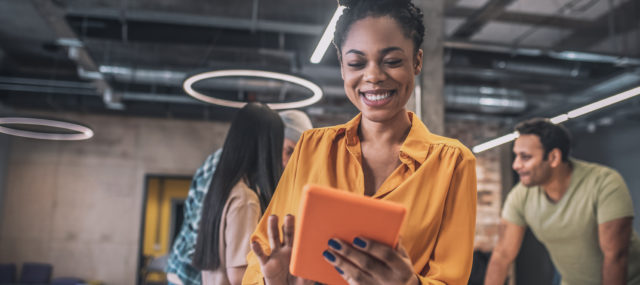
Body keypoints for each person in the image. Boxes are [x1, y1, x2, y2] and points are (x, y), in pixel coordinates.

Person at [243, 0, 478, 284]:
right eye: (356, 63)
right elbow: (261, 256)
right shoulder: (311, 147)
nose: (374, 76)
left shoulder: (452, 163)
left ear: (417, 61)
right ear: (342, 67)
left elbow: (451, 279)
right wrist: (273, 281)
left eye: (392, 61)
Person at [165, 108, 313, 285]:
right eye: (287, 150)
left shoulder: (241, 186)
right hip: (187, 276)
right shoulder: (244, 196)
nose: (286, 161)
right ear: (268, 143)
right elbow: (237, 272)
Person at [484, 118, 640, 285]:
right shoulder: (520, 196)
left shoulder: (604, 183)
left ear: (553, 157)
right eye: (516, 156)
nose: (516, 165)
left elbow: (615, 256)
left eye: (525, 157)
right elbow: (502, 255)